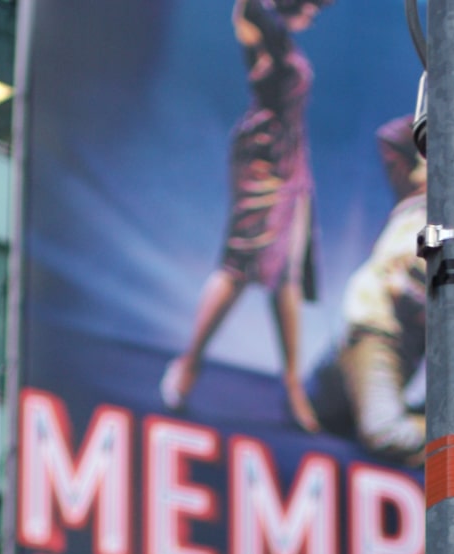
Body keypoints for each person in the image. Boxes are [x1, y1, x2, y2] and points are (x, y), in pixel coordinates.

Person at [161, 0, 330, 429]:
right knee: (240, 264)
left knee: (287, 275)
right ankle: (189, 362)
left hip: (294, 159)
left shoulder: (286, 41)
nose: (314, 11)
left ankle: (292, 384)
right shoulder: (259, 24)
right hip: (264, 157)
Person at [308, 115, 427, 464]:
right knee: (324, 408)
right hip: (366, 330)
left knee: (385, 433)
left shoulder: (450, 218)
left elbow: (413, 289)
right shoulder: (415, 203)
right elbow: (391, 137)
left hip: (391, 337)